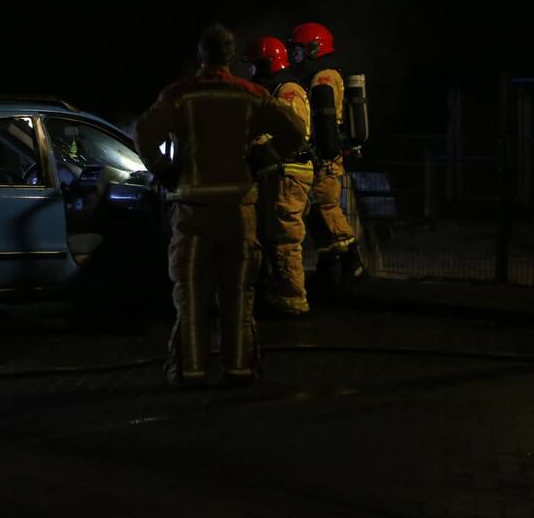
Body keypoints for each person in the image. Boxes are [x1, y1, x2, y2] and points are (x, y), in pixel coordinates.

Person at [135, 24, 306, 388]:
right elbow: (295, 131)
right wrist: (262, 160)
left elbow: (144, 132)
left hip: (192, 213)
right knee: (237, 296)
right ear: (230, 57)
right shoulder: (251, 94)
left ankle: (190, 372)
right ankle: (239, 369)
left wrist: (165, 172)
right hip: (238, 213)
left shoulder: (180, 95)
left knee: (191, 298)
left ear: (201, 55)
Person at [287, 22, 365, 292]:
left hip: (326, 155)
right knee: (317, 212)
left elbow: (325, 121)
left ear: (314, 48)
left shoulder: (323, 76)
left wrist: (324, 150)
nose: (293, 54)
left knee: (326, 207)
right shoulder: (316, 74)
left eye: (298, 48)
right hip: (321, 152)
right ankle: (328, 268)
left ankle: (353, 262)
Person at [249, 36, 314, 316]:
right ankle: (277, 291)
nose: (251, 71)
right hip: (278, 173)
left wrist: (264, 146)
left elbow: (295, 134)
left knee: (285, 237)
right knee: (272, 234)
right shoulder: (274, 90)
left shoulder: (287, 90)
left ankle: (293, 299)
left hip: (289, 172)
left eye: (253, 65)